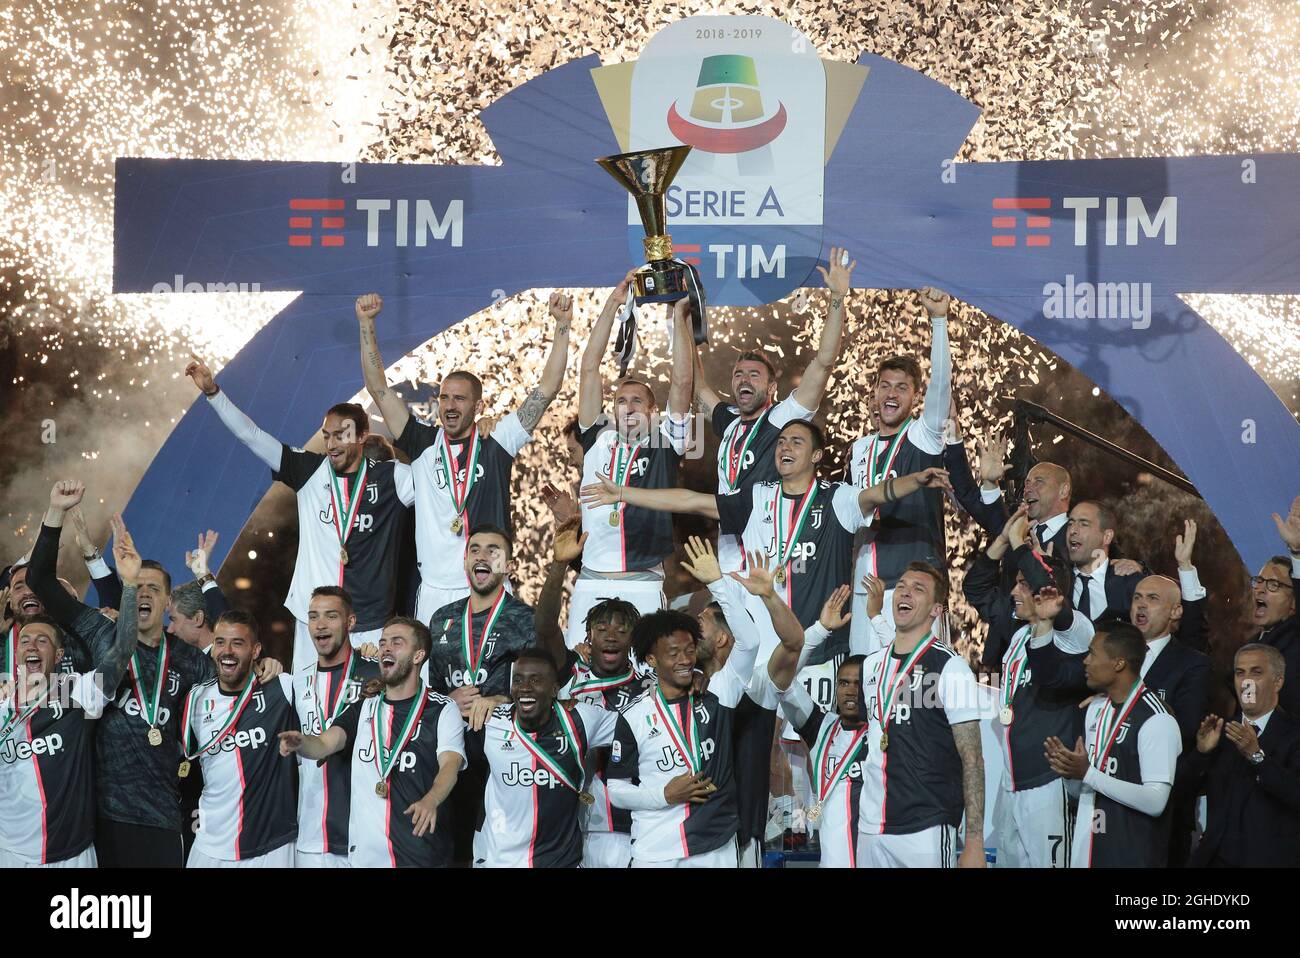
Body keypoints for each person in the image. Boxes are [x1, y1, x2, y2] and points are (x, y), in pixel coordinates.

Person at [27, 482, 283, 868]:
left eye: (153, 589)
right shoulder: (102, 634)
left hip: (164, 814)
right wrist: (54, 512)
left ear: (167, 604)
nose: (144, 593)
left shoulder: (190, 659)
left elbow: (234, 647)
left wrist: (266, 666)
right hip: (105, 815)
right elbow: (41, 581)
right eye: (138, 585)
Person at [582, 419, 950, 667]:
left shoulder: (837, 497)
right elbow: (691, 500)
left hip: (822, 652)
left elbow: (877, 494)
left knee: (816, 761)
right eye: (781, 441)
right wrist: (623, 493)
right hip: (764, 653)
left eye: (797, 442)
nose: (784, 447)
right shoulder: (758, 496)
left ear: (817, 456)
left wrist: (915, 480)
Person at [186, 356, 416, 674]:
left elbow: (438, 486)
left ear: (362, 436)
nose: (332, 444)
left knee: (368, 710)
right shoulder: (309, 470)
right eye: (327, 435)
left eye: (341, 435)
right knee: (311, 707)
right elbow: (251, 435)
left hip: (369, 621)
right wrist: (214, 394)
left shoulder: (393, 477)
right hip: (314, 619)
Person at [356, 291, 571, 622]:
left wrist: (562, 325)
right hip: (435, 592)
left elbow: (547, 389)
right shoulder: (421, 442)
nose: (449, 406)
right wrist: (367, 325)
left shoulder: (497, 441)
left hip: (490, 587)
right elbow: (379, 389)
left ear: (479, 406)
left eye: (459, 399)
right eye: (444, 398)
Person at [694, 247, 852, 571]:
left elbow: (823, 363)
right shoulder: (729, 422)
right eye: (739, 374)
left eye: (755, 374)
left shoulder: (782, 418)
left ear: (771, 387)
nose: (744, 380)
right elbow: (696, 387)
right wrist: (684, 320)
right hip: (727, 554)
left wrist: (837, 299)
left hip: (768, 550)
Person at [0, 518, 140, 868]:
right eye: (26, 640)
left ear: (59, 655)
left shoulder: (75, 691)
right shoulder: (2, 701)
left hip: (73, 854)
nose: (33, 645)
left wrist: (131, 585)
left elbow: (121, 650)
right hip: (11, 852)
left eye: (43, 640)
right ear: (17, 653)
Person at [279, 617, 466, 868]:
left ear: (418, 655)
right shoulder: (365, 707)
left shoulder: (441, 709)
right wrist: (302, 743)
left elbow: (450, 765)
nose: (386, 648)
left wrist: (431, 799)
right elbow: (325, 744)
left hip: (421, 856)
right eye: (383, 642)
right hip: (367, 858)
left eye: (397, 643)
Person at [568, 276, 694, 648]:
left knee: (647, 677)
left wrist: (679, 318)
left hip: (643, 583)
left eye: (638, 401)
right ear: (612, 409)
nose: (629, 407)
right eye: (622, 401)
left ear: (653, 411)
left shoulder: (666, 441)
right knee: (579, 679)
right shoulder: (596, 438)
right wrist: (612, 305)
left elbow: (682, 382)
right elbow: (589, 367)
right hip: (592, 579)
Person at [965, 507, 1093, 867]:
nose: (1015, 591)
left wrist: (1023, 547)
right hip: (1012, 780)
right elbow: (974, 587)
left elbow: (1046, 586)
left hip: (1048, 781)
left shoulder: (1076, 632)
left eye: (1024, 583)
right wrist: (1004, 541)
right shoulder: (1018, 631)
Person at [679, 538, 808, 869]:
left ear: (722, 638)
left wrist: (767, 595)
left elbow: (794, 644)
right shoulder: (682, 689)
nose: (691, 635)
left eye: (700, 626)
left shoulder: (758, 685)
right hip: (686, 834)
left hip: (741, 837)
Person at [856, 562, 986, 868]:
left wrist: (975, 843)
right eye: (901, 585)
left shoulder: (950, 667)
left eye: (918, 589)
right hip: (871, 827)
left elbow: (973, 758)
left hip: (925, 827)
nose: (905, 592)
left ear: (935, 610)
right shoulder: (872, 666)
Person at [846, 287, 953, 646]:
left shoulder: (924, 436)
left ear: (914, 397)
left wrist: (939, 321)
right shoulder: (860, 448)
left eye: (902, 388)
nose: (891, 395)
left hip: (916, 581)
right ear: (874, 392)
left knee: (915, 683)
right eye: (885, 386)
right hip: (867, 583)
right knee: (866, 681)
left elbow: (941, 387)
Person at [1047, 623, 1182, 868]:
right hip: (1088, 850)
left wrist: (1087, 773)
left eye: (1092, 654)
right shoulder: (1096, 709)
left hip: (1132, 855)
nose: (1085, 661)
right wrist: (1071, 773)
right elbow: (1087, 789)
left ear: (1118, 663)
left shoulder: (1157, 719)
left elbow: (1156, 801)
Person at [466, 648, 617, 867]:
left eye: (536, 680)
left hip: (561, 861)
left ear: (555, 689)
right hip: (500, 860)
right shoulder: (491, 721)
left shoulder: (580, 718)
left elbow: (632, 726)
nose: (525, 688)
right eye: (518, 680)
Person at [183, 610, 298, 867]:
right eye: (221, 642)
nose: (227, 651)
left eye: (238, 643)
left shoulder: (282, 689)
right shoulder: (195, 700)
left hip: (271, 847)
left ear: (256, 650)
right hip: (209, 843)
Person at [1188, 644, 1300, 867]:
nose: (1246, 681)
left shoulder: (1294, 734)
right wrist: (1201, 753)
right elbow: (1183, 793)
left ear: (1278, 682)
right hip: (1214, 860)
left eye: (1256, 672)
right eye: (1240, 673)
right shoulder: (1219, 731)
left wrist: (1257, 756)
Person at [292, 586, 380, 867]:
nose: (320, 624)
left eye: (331, 616)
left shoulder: (376, 675)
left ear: (350, 622)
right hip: (311, 838)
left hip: (365, 837)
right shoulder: (296, 682)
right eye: (313, 616)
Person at [773, 652, 870, 867]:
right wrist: (821, 630)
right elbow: (783, 678)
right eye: (844, 683)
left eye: (859, 683)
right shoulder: (821, 727)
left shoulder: (886, 734)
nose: (851, 691)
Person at [1254, 496, 1300, 716]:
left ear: (1293, 604)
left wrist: (1297, 550)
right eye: (1259, 581)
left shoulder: (1295, 640)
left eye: (1273, 584)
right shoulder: (1252, 645)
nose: (1260, 589)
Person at [1065, 500, 1146, 623]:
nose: (1073, 531)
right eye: (1070, 523)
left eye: (1084, 524)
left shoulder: (1130, 583)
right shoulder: (1059, 580)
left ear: (1107, 537)